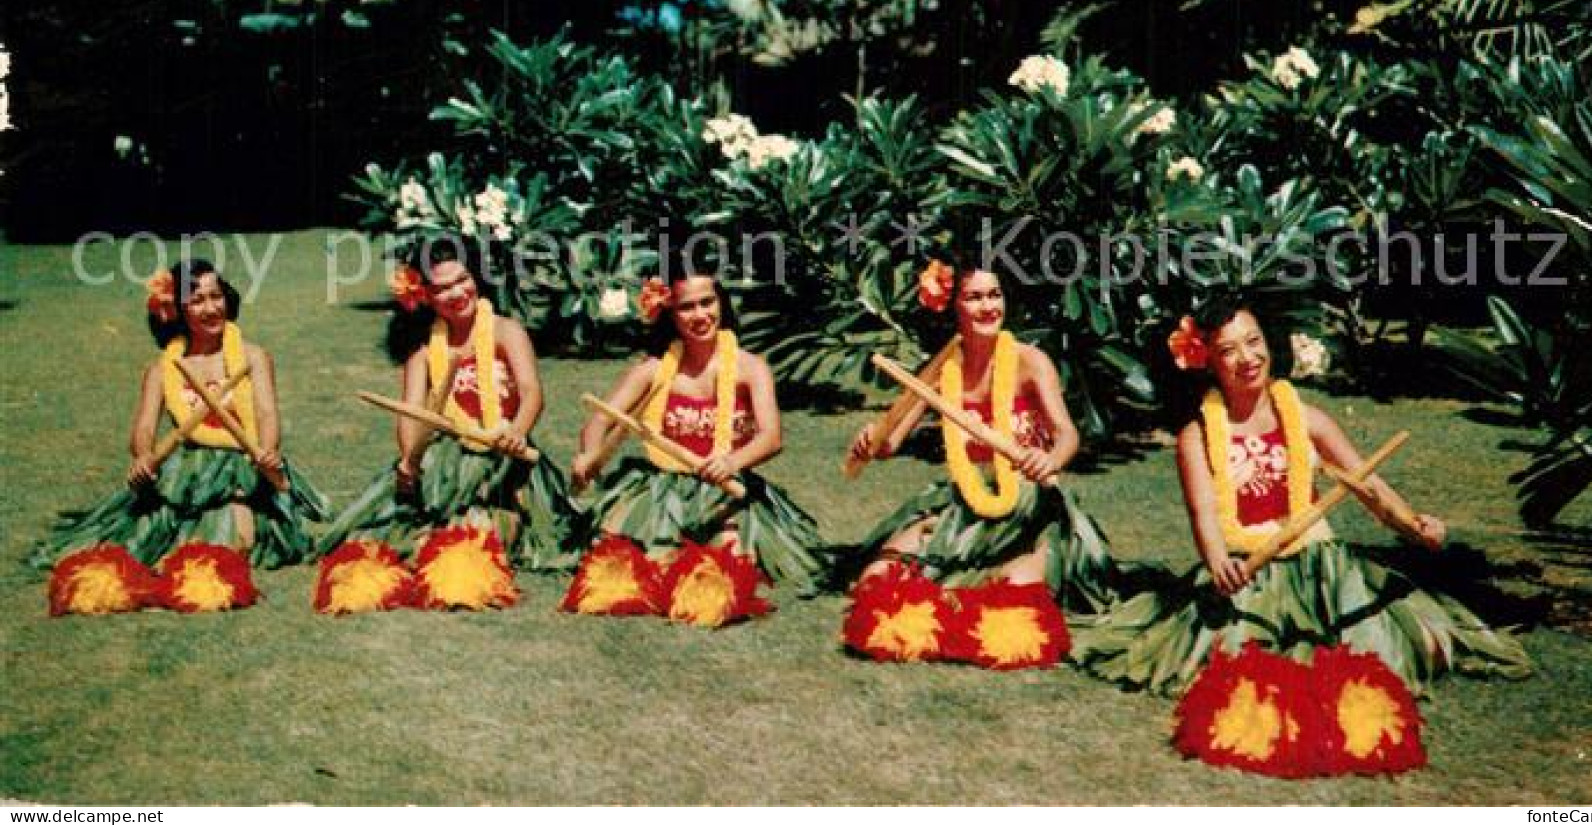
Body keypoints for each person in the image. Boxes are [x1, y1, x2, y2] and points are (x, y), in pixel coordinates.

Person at [1071, 299, 1533, 693]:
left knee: (1369, 656)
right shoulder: (1197, 436)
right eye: (1228, 350)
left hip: (1320, 566)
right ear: (1207, 361)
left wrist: (1413, 526)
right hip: (1246, 567)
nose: (1247, 358)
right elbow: (1205, 512)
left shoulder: (1307, 418)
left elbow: (1369, 487)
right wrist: (1217, 562)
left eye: (1254, 342)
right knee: (1236, 665)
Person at [845, 261, 1119, 614]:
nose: (988, 307)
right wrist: (871, 442)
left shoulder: (1031, 362)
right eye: (974, 297)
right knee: (876, 581)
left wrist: (1050, 459)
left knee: (1009, 599)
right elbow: (890, 441)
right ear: (953, 306)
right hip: (963, 507)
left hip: (1029, 509)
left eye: (994, 295)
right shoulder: (944, 369)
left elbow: (1067, 434)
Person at [32, 259, 327, 570]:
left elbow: (267, 413)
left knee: (237, 543)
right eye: (197, 301)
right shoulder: (162, 369)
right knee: (157, 541)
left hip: (244, 465)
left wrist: (267, 451)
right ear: (176, 311)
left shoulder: (253, 357)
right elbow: (144, 428)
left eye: (216, 296)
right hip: (186, 471)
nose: (211, 308)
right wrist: (144, 455)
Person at [317, 238, 577, 570]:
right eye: (442, 289)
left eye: (462, 280)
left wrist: (517, 431)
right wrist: (410, 461)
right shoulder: (423, 351)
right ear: (424, 296)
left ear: (476, 279)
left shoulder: (506, 331)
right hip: (443, 458)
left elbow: (531, 392)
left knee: (481, 530)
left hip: (503, 453)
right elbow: (410, 415)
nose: (456, 294)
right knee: (401, 538)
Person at [569, 269, 828, 597]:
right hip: (662, 488)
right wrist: (590, 454)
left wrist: (733, 462)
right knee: (626, 566)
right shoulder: (653, 369)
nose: (700, 315)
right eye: (686, 307)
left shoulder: (750, 368)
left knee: (724, 567)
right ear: (670, 315)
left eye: (707, 302)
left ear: (721, 303)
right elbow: (599, 421)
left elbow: (770, 436)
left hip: (726, 486)